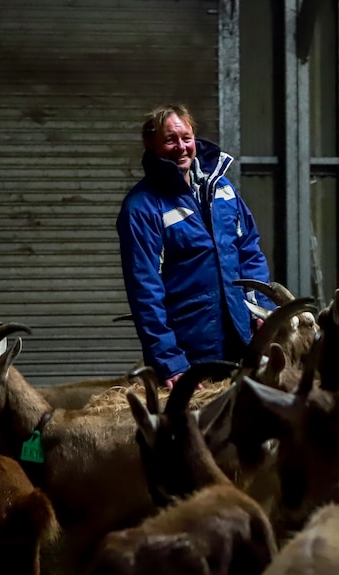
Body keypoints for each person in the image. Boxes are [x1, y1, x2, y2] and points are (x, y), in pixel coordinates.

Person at [117, 104, 275, 388]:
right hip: (190, 353)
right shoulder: (141, 208)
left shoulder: (223, 189)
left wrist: (260, 310)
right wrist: (169, 361)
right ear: (150, 144)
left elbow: (250, 251)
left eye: (186, 138)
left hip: (241, 339)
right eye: (170, 140)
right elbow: (145, 291)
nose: (181, 147)